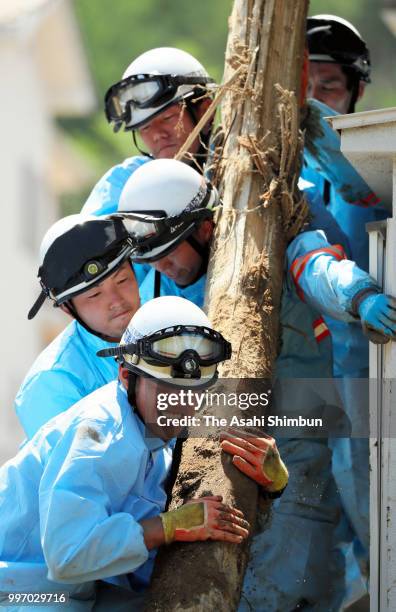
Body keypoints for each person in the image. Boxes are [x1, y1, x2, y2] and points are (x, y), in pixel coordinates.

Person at [114, 157, 396, 609]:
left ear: (204, 229)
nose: (163, 267)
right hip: (212, 468)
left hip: (299, 460)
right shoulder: (164, 291)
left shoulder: (266, 244)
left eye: (169, 253)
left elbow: (318, 267)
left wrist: (357, 294)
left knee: (292, 589)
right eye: (152, 259)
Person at [0, 296, 288, 610]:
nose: (181, 405)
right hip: (18, 588)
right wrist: (166, 526)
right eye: (167, 390)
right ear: (126, 376)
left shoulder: (154, 437)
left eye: (194, 391)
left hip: (77, 586)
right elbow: (68, 557)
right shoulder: (99, 438)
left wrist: (273, 486)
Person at [15, 214, 140, 439]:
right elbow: (82, 470)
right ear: (67, 309)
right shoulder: (50, 384)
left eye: (122, 280)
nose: (116, 300)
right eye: (94, 294)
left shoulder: (167, 314)